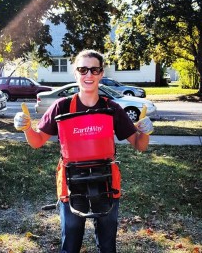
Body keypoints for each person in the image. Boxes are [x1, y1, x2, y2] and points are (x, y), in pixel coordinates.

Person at [14, 49, 153, 253]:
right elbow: (37, 142)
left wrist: (146, 131)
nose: (89, 75)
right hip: (72, 182)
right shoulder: (61, 107)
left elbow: (140, 145)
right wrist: (26, 127)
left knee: (107, 244)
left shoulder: (111, 108)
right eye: (83, 69)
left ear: (101, 73)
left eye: (94, 70)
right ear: (75, 73)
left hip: (105, 180)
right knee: (70, 242)